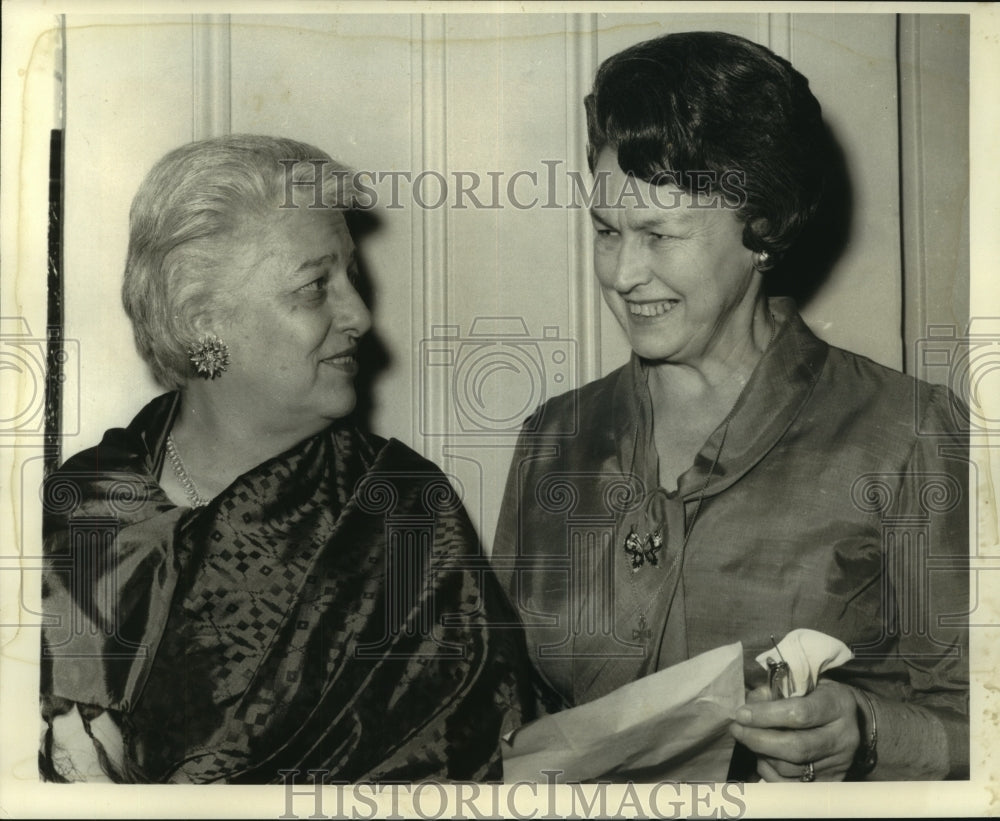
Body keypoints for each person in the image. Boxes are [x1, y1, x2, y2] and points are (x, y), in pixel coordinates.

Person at [492, 31, 969, 782]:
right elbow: (507, 703)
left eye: (661, 234)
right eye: (607, 232)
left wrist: (866, 732)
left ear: (763, 230)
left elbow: (982, 720)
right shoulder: (554, 435)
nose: (622, 272)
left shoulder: (908, 433)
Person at [39, 134, 534, 783]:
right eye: (314, 287)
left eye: (351, 275)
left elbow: (465, 772)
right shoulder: (77, 506)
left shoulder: (405, 512)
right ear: (201, 323)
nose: (359, 314)